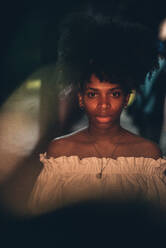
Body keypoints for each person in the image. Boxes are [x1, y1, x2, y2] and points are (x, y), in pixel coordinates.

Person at [27, 12, 166, 216]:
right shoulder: (60, 153)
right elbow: (41, 222)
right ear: (81, 98)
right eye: (93, 94)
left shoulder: (147, 156)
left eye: (114, 93)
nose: (103, 105)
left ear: (127, 97)